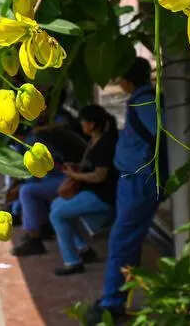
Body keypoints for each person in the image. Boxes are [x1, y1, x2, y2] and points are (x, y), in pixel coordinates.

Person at [88, 57, 159, 324]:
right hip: (132, 179)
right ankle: (122, 294)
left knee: (122, 239)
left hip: (139, 179)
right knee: (126, 239)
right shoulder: (141, 99)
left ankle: (112, 303)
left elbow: (160, 134)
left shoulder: (145, 102)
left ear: (128, 80)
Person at [49, 105, 119, 276]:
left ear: (92, 124)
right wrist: (77, 168)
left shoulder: (105, 144)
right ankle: (83, 248)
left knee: (57, 214)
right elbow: (91, 167)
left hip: (102, 196)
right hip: (91, 192)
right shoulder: (94, 140)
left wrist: (75, 175)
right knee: (56, 206)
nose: (81, 125)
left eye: (83, 122)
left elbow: (99, 176)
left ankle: (72, 262)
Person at [11, 126, 86, 256]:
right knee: (34, 193)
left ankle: (35, 239)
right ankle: (81, 247)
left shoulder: (32, 141)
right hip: (66, 174)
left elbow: (42, 170)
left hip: (70, 177)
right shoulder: (33, 137)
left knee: (26, 191)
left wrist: (17, 188)